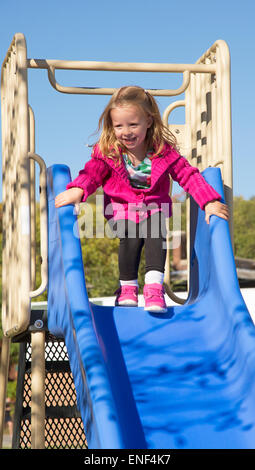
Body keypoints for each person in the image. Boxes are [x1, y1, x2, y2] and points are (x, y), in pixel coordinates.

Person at [55, 86, 228, 313]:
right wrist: (78, 189)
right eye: (119, 126)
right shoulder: (108, 152)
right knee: (131, 232)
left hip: (153, 209)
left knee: (156, 231)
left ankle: (154, 288)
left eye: (133, 124)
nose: (126, 131)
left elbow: (188, 176)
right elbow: (92, 173)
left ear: (148, 120)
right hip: (121, 210)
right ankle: (127, 288)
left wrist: (209, 201)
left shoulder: (163, 152)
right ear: (111, 126)